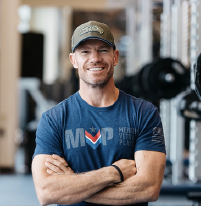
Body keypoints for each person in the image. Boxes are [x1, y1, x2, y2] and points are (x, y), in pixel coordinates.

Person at [32, 21, 166, 206]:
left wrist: (74, 187)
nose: (95, 58)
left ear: (115, 56)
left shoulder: (144, 113)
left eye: (103, 50)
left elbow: (148, 188)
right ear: (74, 60)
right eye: (85, 51)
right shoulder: (53, 119)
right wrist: (113, 173)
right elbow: (47, 192)